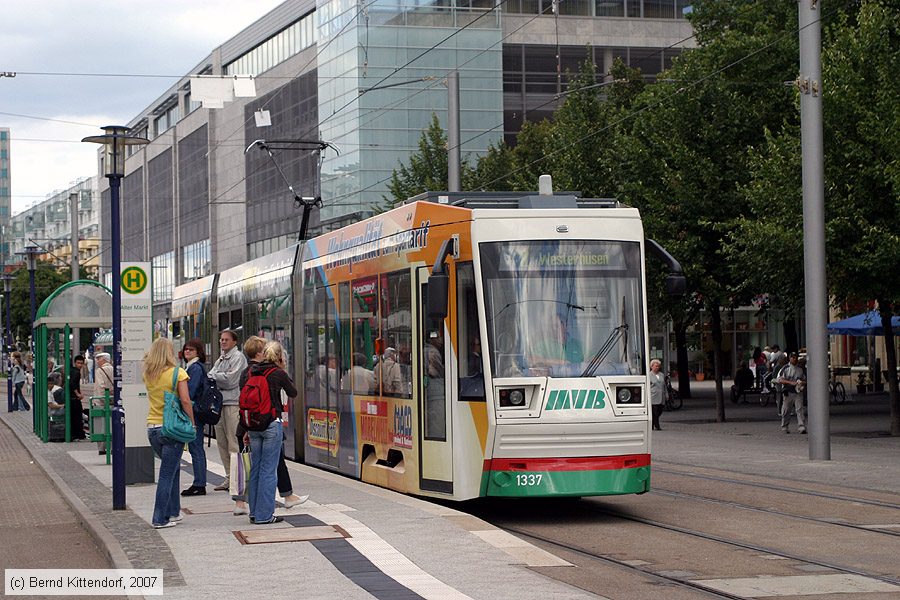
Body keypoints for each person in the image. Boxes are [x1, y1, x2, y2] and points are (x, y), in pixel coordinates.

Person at [239, 337, 308, 514]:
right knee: (269, 471)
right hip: (270, 424)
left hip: (253, 426)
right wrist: (282, 369)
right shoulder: (278, 373)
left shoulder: (252, 371)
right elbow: (293, 393)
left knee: (256, 469)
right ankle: (265, 515)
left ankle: (254, 512)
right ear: (279, 357)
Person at [142, 337, 194, 529]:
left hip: (152, 429)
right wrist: (192, 422)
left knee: (171, 469)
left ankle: (174, 511)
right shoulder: (178, 373)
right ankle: (160, 518)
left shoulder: (148, 374)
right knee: (166, 474)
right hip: (171, 429)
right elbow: (186, 401)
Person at [208, 329, 247, 492]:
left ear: (234, 342)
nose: (222, 342)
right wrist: (219, 376)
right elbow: (210, 374)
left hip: (232, 404)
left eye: (226, 340)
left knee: (232, 443)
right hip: (220, 404)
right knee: (222, 443)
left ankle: (238, 479)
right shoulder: (221, 358)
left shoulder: (238, 358)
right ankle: (229, 477)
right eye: (221, 340)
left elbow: (232, 381)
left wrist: (216, 376)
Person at [181, 339, 209, 497]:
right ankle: (199, 482)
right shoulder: (192, 367)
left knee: (196, 448)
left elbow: (190, 391)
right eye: (186, 350)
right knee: (195, 448)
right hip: (196, 410)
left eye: (191, 350)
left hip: (195, 412)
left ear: (198, 352)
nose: (187, 352)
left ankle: (199, 483)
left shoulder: (195, 368)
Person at [777, 352, 807, 434]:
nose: (794, 359)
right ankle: (784, 426)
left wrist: (802, 383)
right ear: (790, 358)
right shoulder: (785, 368)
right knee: (786, 410)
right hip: (788, 392)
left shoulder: (800, 369)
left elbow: (804, 379)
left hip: (798, 392)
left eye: (796, 357)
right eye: (793, 357)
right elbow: (779, 379)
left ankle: (802, 426)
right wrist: (790, 382)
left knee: (800, 409)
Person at [93, 353, 115, 455]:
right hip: (113, 400)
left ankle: (102, 448)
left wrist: (102, 400)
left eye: (99, 359)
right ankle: (112, 446)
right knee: (111, 424)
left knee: (101, 425)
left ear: (104, 359)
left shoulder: (100, 371)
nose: (97, 361)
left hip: (101, 402)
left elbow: (100, 387)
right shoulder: (114, 369)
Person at [69, 355, 86, 440]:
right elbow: (73, 383)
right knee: (77, 416)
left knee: (74, 416)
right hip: (74, 398)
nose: (80, 365)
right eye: (78, 363)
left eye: (81, 363)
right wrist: (78, 394)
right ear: (75, 363)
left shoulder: (71, 370)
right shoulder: (76, 372)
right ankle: (79, 434)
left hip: (71, 397)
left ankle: (75, 434)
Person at [648, 359, 664, 431]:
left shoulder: (661, 375)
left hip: (661, 395)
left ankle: (654, 423)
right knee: (655, 412)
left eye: (658, 366)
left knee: (660, 410)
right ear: (651, 367)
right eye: (656, 366)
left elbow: (664, 386)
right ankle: (656, 425)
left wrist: (666, 394)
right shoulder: (649, 375)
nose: (657, 367)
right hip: (653, 396)